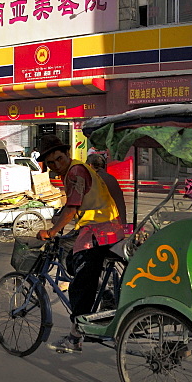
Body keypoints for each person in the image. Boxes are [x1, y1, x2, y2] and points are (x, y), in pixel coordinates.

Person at [36, 134, 125, 354]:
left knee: (80, 286)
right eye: (51, 163)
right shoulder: (79, 169)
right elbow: (73, 206)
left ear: (67, 154)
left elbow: (73, 207)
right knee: (75, 262)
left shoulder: (75, 171)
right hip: (108, 230)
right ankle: (104, 296)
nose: (57, 165)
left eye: (59, 159)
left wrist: (52, 231)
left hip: (98, 232)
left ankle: (76, 336)